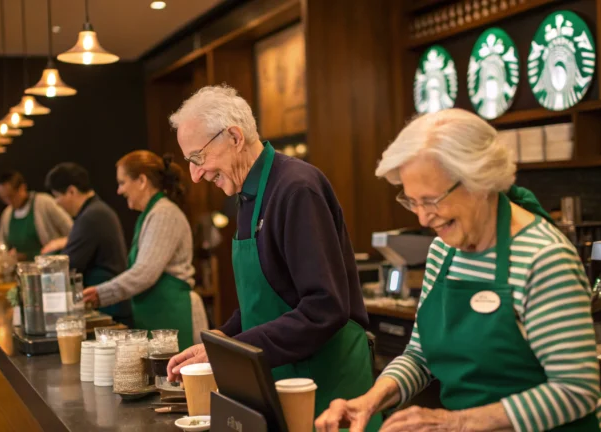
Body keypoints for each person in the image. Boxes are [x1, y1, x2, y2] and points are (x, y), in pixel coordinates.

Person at [315, 109, 601, 432]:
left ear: (480, 181)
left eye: (431, 200)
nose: (422, 218)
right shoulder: (443, 250)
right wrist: (370, 400)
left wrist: (456, 422)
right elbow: (420, 355)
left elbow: (576, 390)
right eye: (412, 201)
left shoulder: (544, 258)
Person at [165, 85, 381, 430]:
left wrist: (235, 350)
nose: (195, 175)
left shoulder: (296, 188)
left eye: (197, 158)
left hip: (325, 387)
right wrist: (221, 339)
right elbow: (268, 301)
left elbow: (325, 307)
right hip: (282, 380)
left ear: (234, 137)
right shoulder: (247, 195)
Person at [81, 151, 208, 349]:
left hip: (173, 315)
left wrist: (101, 293)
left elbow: (144, 273)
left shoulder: (164, 214)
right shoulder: (151, 214)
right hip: (160, 315)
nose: (119, 191)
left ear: (141, 180)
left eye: (122, 183)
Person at [41, 162, 133, 327]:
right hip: (110, 304)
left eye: (57, 196)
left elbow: (68, 264)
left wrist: (43, 264)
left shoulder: (92, 216)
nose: (57, 203)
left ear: (71, 191)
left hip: (110, 308)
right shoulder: (96, 210)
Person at [0, 171, 72, 260]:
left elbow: (73, 231)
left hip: (49, 266)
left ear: (22, 188)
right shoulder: (7, 214)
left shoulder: (45, 203)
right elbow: (0, 245)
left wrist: (58, 243)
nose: (8, 201)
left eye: (11, 196)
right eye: (3, 198)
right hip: (21, 270)